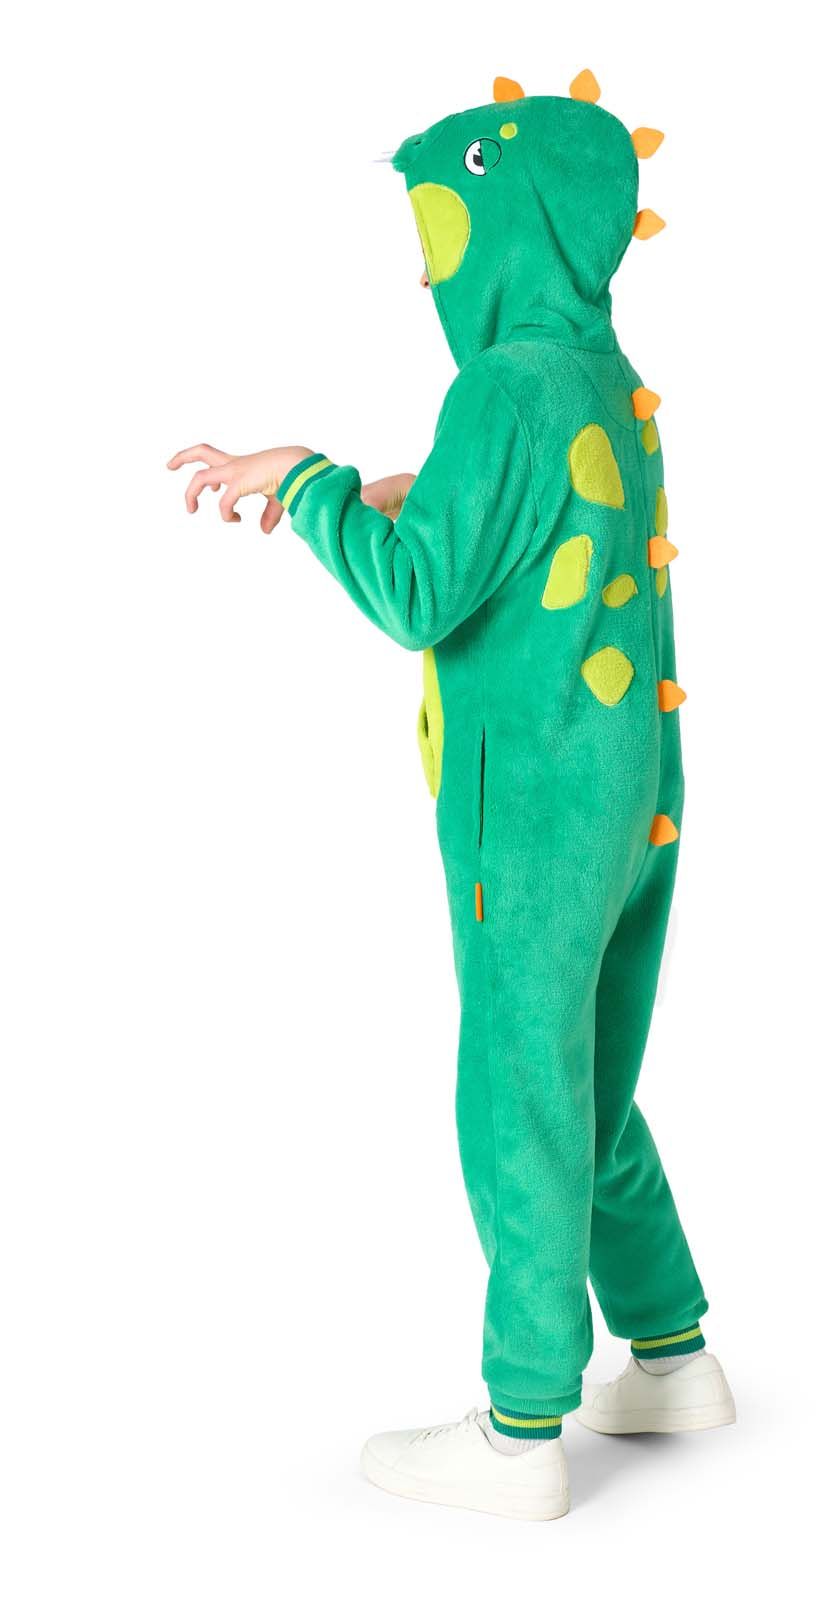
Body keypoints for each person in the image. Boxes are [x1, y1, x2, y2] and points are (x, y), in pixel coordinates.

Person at [168, 68, 734, 1523]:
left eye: (436, 231)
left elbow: (417, 596)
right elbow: (533, 508)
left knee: (516, 1094)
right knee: (589, 1082)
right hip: (631, 796)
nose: (425, 270)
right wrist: (407, 486)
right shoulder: (599, 375)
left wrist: (312, 484)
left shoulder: (500, 384)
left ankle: (521, 1425)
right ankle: (671, 1352)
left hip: (530, 811)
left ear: (504, 224)